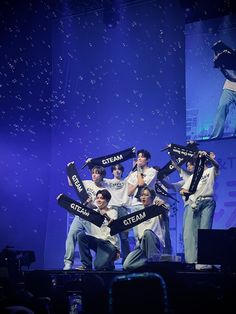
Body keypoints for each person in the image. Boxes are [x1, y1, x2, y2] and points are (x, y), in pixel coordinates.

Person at [179, 151, 220, 270]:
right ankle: (192, 261)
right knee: (192, 233)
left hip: (208, 201)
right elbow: (182, 190)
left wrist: (208, 156)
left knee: (205, 231)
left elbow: (217, 166)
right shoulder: (193, 176)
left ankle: (205, 260)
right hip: (195, 204)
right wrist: (188, 192)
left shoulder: (210, 170)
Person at [63, 165, 106, 270]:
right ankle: (68, 262)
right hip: (81, 214)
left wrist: (92, 204)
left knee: (95, 240)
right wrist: (70, 170)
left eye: (97, 173)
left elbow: (102, 206)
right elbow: (71, 183)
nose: (94, 175)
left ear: (101, 175)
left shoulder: (104, 188)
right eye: (93, 173)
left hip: (93, 218)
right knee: (71, 235)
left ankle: (96, 264)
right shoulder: (87, 183)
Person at [123, 187, 166, 270]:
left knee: (147, 232)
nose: (143, 197)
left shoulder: (158, 209)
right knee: (127, 265)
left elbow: (165, 214)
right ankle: (151, 263)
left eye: (146, 195)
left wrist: (163, 205)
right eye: (142, 195)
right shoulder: (138, 214)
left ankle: (153, 265)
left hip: (155, 243)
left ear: (152, 198)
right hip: (141, 245)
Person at [77, 189, 120, 271]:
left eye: (102, 198)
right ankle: (86, 265)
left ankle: (110, 261)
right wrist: (86, 204)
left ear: (107, 200)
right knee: (81, 235)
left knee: (98, 267)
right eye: (97, 198)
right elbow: (81, 217)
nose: (99, 200)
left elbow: (113, 224)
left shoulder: (113, 211)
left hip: (108, 244)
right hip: (97, 242)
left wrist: (105, 215)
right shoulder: (93, 212)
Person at [127, 149, 157, 245]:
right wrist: (136, 180)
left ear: (147, 159)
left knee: (146, 232)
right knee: (137, 235)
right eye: (138, 156)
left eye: (142, 156)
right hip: (134, 205)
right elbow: (129, 192)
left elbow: (142, 184)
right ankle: (140, 257)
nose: (139, 158)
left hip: (145, 205)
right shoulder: (133, 174)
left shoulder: (152, 171)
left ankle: (149, 256)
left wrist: (139, 171)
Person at [104, 163, 131, 263]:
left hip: (123, 209)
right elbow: (97, 176)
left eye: (119, 169)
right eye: (115, 169)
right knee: (111, 237)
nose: (117, 170)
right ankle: (109, 261)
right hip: (112, 210)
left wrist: (135, 164)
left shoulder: (126, 181)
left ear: (122, 171)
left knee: (124, 238)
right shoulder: (108, 181)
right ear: (112, 171)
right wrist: (92, 163)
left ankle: (127, 261)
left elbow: (134, 172)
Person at [210, 40, 236, 139]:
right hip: (229, 88)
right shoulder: (225, 56)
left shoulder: (233, 54)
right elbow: (216, 64)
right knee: (222, 107)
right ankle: (215, 136)